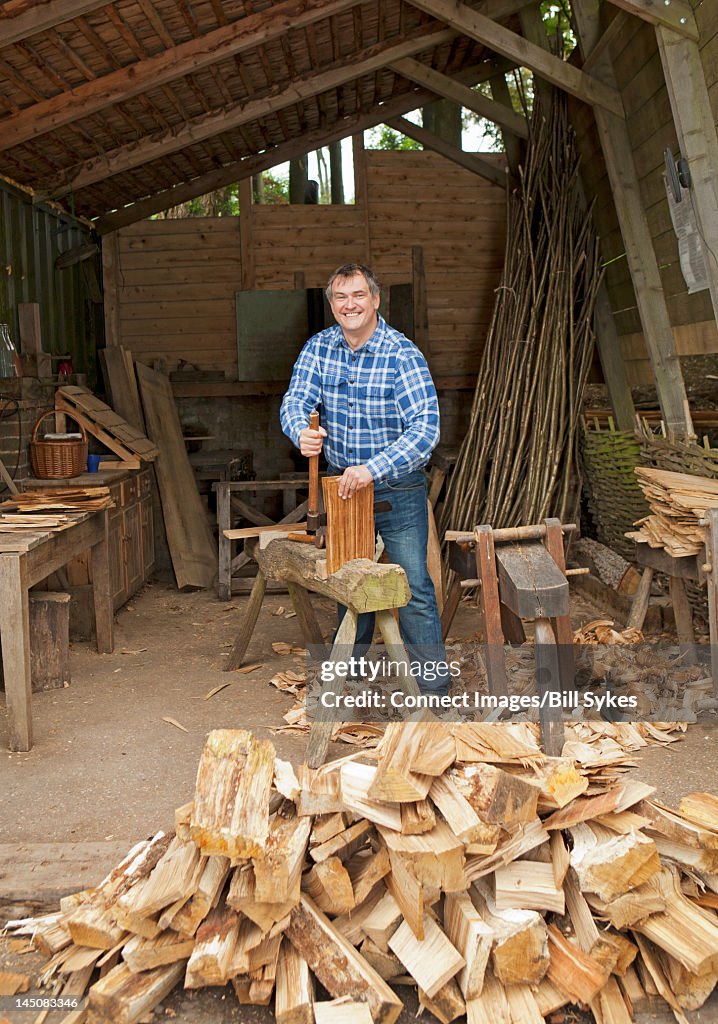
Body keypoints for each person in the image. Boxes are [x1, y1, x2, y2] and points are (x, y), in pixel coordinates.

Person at [280, 262, 449, 697]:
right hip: (343, 489)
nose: (349, 305)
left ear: (375, 300)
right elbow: (295, 399)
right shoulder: (319, 348)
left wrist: (373, 468)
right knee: (350, 583)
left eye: (358, 296)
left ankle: (434, 689)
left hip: (397, 488)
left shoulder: (401, 354)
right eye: (341, 297)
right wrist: (301, 429)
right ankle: (351, 679)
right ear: (332, 304)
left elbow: (425, 429)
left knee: (411, 587)